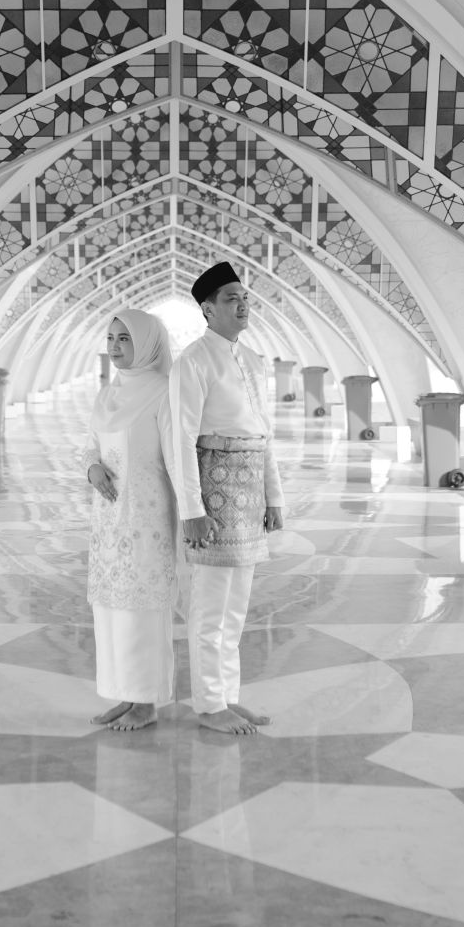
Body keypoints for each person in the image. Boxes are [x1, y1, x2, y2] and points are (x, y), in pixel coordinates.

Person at [170, 261, 284, 735]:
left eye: (246, 298)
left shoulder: (253, 360)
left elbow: (264, 434)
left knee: (236, 607)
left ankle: (228, 697)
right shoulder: (193, 361)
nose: (243, 306)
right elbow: (180, 438)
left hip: (249, 491)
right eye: (232, 299)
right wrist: (192, 510)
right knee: (209, 607)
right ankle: (209, 704)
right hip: (214, 491)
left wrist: (273, 497)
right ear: (208, 309)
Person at [82, 308, 178, 731]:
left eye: (125, 339)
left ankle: (146, 701)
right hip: (107, 521)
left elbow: (177, 456)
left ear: (147, 344)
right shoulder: (107, 394)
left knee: (142, 610)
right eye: (111, 338)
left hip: (146, 518)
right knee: (111, 608)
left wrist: (191, 513)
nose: (115, 347)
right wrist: (91, 468)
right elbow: (90, 444)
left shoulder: (164, 392)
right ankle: (124, 692)